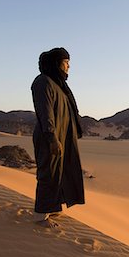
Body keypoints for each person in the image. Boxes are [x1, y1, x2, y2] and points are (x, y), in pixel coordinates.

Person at [31, 47, 85, 227]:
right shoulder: (43, 82)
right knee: (49, 173)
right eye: (66, 62)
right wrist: (52, 137)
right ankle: (40, 216)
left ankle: (52, 207)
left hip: (62, 137)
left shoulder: (59, 86)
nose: (69, 66)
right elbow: (45, 113)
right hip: (50, 137)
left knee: (62, 173)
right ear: (56, 63)